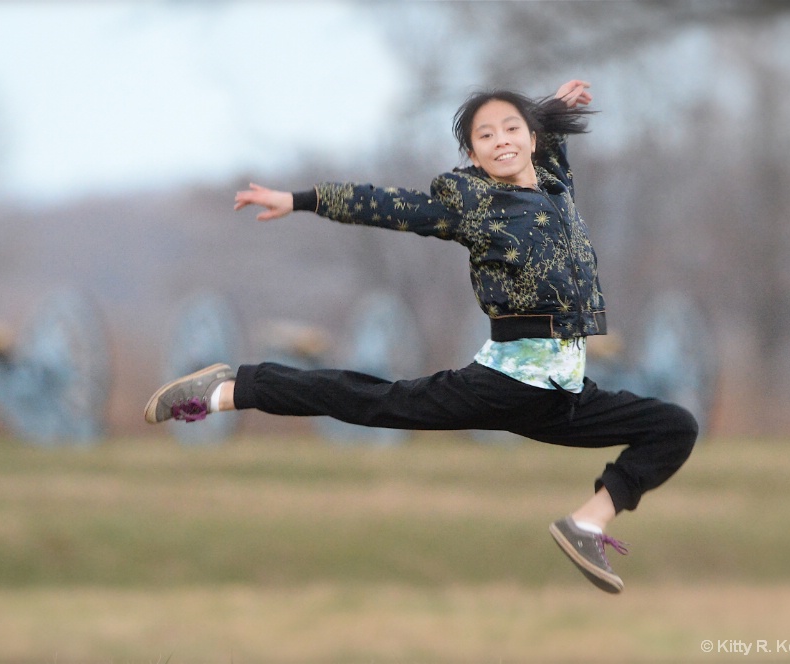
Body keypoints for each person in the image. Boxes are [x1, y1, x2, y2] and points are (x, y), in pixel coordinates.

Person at [144, 80, 698, 593]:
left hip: (565, 395)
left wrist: (550, 108)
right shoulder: (475, 207)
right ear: (473, 155)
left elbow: (546, 143)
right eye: (485, 136)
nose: (500, 140)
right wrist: (302, 200)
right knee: (374, 402)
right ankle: (233, 387)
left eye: (511, 129)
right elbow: (389, 207)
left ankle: (585, 524)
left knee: (673, 427)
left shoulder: (556, 189)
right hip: (505, 383)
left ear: (531, 137)